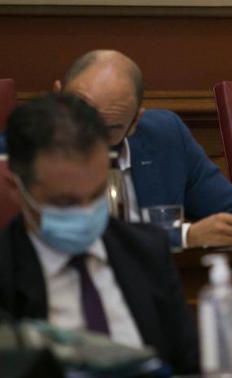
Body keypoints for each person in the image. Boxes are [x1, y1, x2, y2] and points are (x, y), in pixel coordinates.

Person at [0, 93, 198, 373]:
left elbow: (190, 365)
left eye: (95, 196)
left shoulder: (145, 249)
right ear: (14, 187)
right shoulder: (5, 272)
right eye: (64, 202)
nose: (84, 212)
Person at [54, 49, 232, 248]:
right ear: (57, 96)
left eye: (109, 128)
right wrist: (185, 236)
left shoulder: (164, 136)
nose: (90, 134)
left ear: (134, 122)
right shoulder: (21, 148)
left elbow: (231, 207)